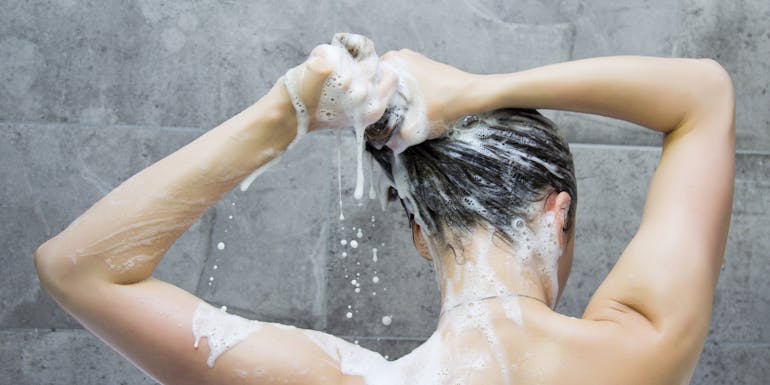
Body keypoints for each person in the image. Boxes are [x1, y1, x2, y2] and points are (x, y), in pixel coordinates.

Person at [34, 40, 735, 384]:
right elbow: (703, 95)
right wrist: (473, 90)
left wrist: (289, 111)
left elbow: (77, 268)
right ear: (556, 217)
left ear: (420, 236)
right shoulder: (638, 349)